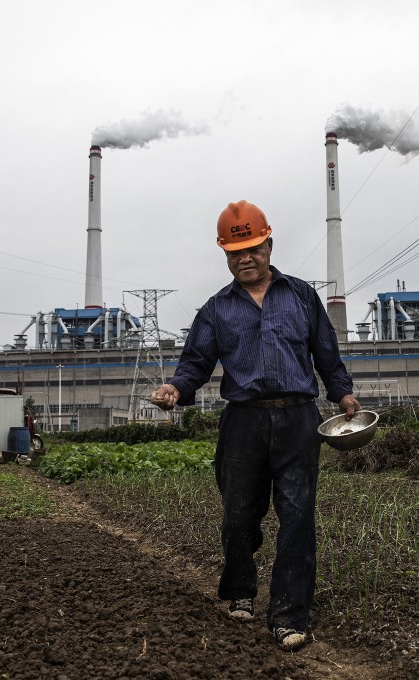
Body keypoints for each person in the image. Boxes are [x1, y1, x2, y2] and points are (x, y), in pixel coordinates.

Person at [149, 200, 361, 651]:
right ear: (225, 255)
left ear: (268, 244)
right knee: (238, 515)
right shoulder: (215, 309)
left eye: (253, 248)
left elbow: (326, 351)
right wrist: (175, 390)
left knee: (298, 516)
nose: (245, 258)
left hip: (298, 419)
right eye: (235, 252)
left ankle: (288, 614)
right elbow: (195, 364)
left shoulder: (301, 295)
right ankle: (241, 589)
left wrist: (341, 392)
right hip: (243, 421)